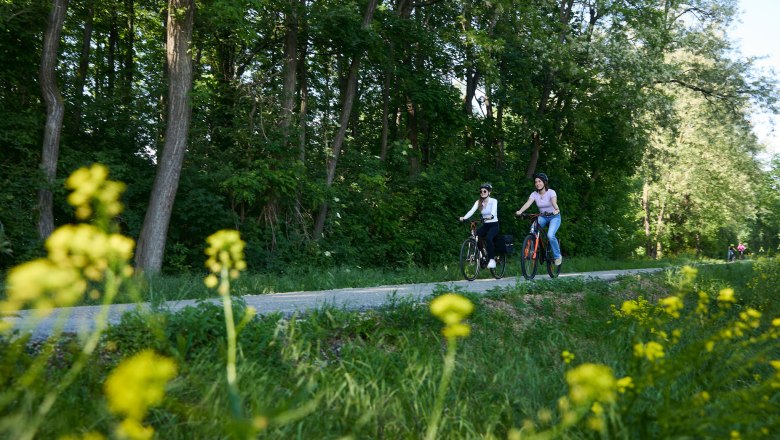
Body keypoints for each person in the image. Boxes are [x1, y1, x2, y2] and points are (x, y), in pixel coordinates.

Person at [515, 172, 562, 265]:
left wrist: (556, 209)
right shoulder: (534, 194)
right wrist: (520, 211)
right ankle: (532, 250)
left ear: (544, 182)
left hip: (554, 217)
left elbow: (554, 202)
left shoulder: (551, 192)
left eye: (539, 181)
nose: (537, 183)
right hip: (543, 217)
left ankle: (557, 256)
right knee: (533, 230)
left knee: (550, 235)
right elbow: (528, 203)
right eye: (536, 182)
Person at [459, 183, 500, 269]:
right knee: (476, 235)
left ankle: (492, 260)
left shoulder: (493, 201)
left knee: (489, 238)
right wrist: (464, 217)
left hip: (494, 225)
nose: (482, 192)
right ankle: (483, 255)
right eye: (481, 191)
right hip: (485, 225)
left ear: (489, 192)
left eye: (485, 191)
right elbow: (471, 211)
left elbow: (493, 212)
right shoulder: (478, 202)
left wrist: (490, 216)